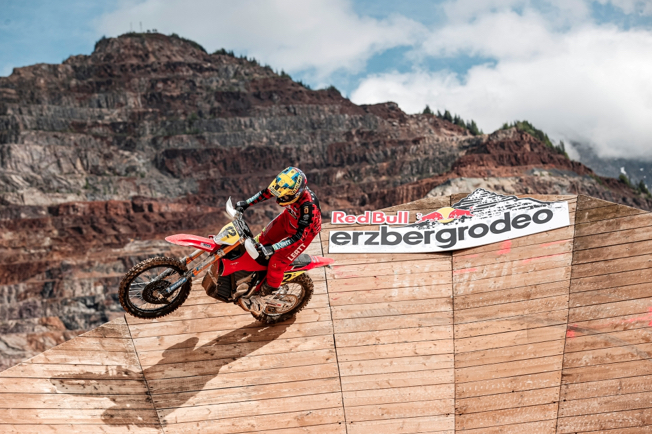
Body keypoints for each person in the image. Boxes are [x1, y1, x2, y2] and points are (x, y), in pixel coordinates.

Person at [236, 167, 322, 312]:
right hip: (288, 218)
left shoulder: (308, 207)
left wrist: (273, 248)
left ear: (296, 193)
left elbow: (298, 237)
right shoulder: (286, 188)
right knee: (260, 240)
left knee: (277, 261)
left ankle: (266, 296)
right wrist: (246, 203)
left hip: (303, 234)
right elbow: (266, 193)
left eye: (284, 197)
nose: (280, 199)